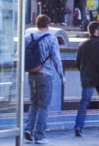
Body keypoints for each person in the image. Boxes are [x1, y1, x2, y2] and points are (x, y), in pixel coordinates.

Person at [24, 14, 63, 144]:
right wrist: (62, 76)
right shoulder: (51, 38)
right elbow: (56, 59)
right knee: (44, 106)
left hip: (31, 75)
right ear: (47, 25)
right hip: (45, 76)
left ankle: (28, 129)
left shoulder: (28, 37)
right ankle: (39, 135)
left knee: (34, 103)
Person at [73, 21, 99, 137]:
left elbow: (77, 63)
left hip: (87, 78)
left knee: (84, 103)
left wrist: (84, 72)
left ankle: (78, 127)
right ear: (96, 31)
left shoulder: (82, 44)